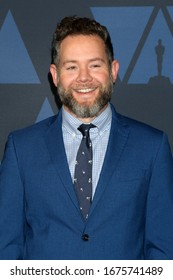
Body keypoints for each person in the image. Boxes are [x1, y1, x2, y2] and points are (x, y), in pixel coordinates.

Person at [0, 16, 173, 260]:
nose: (84, 78)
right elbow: (6, 249)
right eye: (71, 67)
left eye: (94, 65)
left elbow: (165, 251)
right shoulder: (22, 149)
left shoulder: (152, 147)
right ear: (55, 75)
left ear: (113, 71)